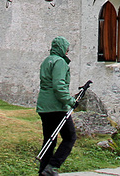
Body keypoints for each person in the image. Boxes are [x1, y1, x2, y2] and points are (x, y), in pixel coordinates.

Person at [37, 36, 77, 176]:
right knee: (70, 137)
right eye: (66, 49)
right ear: (61, 48)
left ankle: (43, 171)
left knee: (49, 140)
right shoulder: (60, 62)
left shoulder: (47, 61)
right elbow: (59, 86)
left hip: (44, 106)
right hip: (56, 107)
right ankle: (52, 166)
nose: (67, 52)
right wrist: (71, 101)